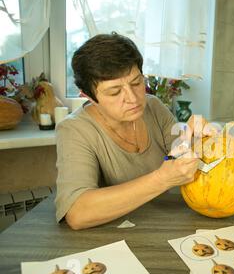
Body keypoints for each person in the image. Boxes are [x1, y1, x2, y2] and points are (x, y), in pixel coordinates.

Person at [55, 33, 212, 230]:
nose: (133, 98)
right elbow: (77, 213)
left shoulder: (153, 106)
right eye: (114, 92)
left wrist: (197, 137)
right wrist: (161, 179)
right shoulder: (74, 129)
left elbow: (181, 153)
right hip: (118, 238)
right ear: (89, 97)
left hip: (169, 225)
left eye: (137, 83)